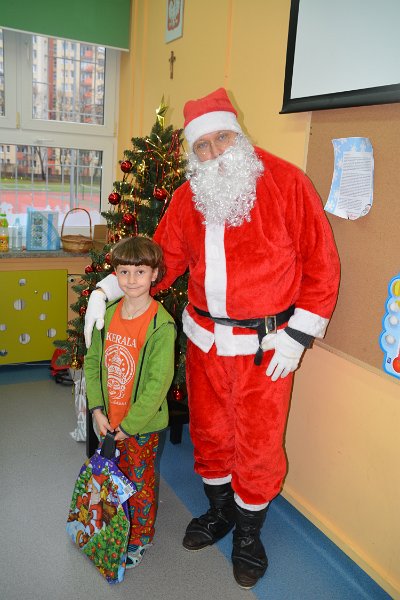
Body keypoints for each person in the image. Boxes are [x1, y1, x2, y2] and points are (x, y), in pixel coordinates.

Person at [84, 88, 340, 589]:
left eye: (222, 138)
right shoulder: (189, 197)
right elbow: (161, 260)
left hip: (266, 349)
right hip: (204, 343)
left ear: (238, 134)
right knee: (210, 434)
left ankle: (249, 534)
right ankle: (220, 512)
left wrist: (297, 336)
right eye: (202, 145)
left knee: (259, 443)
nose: (214, 152)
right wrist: (107, 289)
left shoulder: (287, 183)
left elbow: (322, 264)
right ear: (193, 152)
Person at [84, 235, 176, 569]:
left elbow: (156, 386)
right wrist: (97, 410)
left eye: (140, 271)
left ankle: (139, 539)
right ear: (116, 275)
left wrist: (129, 426)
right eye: (124, 272)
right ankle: (112, 526)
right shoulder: (107, 315)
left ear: (154, 274)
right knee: (111, 477)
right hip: (107, 421)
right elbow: (93, 362)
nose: (132, 279)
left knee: (139, 484)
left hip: (140, 427)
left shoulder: (161, 326)